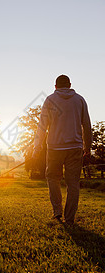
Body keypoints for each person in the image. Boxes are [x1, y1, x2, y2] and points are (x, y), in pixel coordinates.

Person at [33, 75, 92, 225]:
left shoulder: (50, 100)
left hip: (54, 148)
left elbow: (42, 126)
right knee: (73, 183)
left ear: (55, 87)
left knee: (53, 178)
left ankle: (57, 212)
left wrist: (37, 146)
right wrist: (88, 146)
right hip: (75, 147)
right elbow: (87, 124)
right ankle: (70, 218)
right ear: (70, 85)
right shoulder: (80, 100)